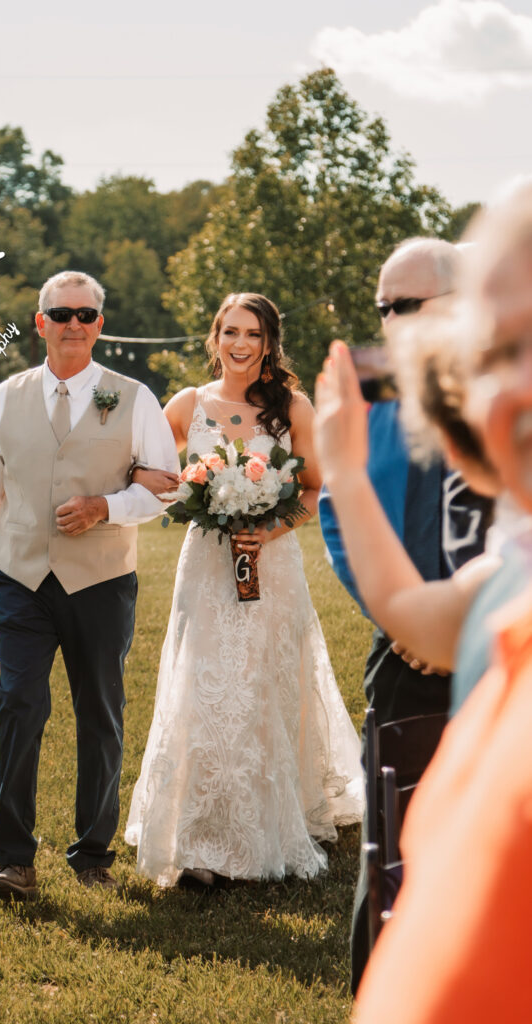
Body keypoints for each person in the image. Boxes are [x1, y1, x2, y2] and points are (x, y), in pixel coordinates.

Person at [352, 184, 532, 1024]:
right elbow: (399, 601)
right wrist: (345, 475)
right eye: (498, 353)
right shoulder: (506, 579)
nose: (511, 389)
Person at [124, 292, 363, 888]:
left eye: (252, 334)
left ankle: (258, 830)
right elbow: (140, 461)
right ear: (215, 337)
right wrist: (152, 479)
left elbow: (312, 490)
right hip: (204, 570)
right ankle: (199, 841)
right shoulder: (187, 404)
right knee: (202, 688)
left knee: (257, 689)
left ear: (267, 342)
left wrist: (267, 527)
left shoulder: (292, 408)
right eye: (230, 331)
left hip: (272, 567)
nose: (239, 344)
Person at [0, 270, 179, 899]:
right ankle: (13, 859)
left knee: (100, 713)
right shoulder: (8, 395)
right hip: (20, 576)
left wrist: (106, 507)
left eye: (85, 314)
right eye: (62, 314)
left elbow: (168, 484)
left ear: (100, 325)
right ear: (41, 322)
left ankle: (92, 854)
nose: (74, 324)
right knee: (18, 702)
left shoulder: (133, 397)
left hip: (101, 580)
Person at [317, 238, 492, 994]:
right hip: (407, 664)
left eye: (405, 306)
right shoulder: (375, 406)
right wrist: (406, 625)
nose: (386, 322)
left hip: (504, 657)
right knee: (396, 853)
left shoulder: (504, 396)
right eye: (381, 308)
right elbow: (339, 516)